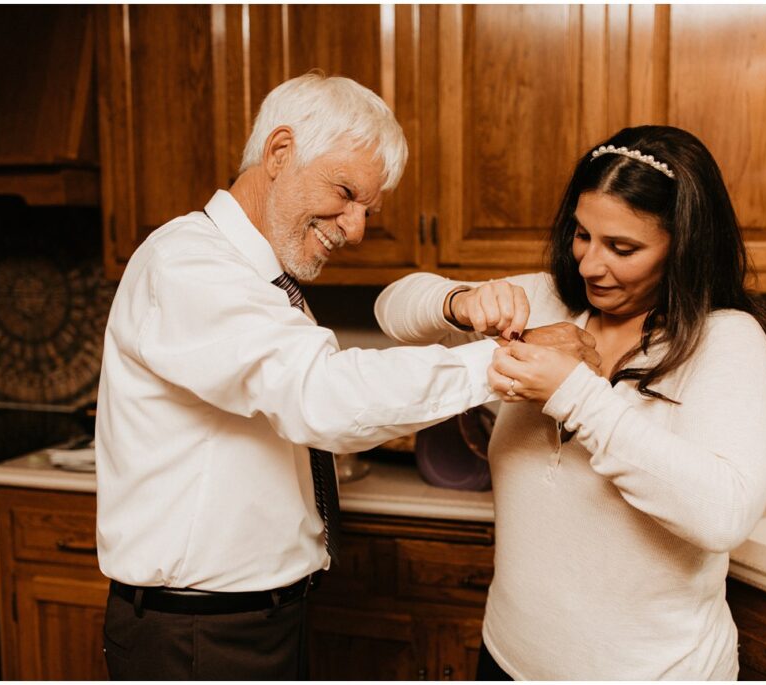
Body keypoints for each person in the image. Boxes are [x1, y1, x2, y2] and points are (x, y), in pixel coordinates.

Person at [94, 72, 597, 680]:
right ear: (280, 153)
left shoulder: (260, 278)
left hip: (258, 618)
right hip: (196, 638)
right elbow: (323, 395)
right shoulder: (189, 265)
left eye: (369, 209)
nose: (355, 228)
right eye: (345, 192)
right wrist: (509, 364)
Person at [375, 125, 766, 680]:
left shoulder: (727, 339)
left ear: (683, 246)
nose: (591, 265)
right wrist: (459, 300)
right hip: (507, 658)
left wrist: (572, 394)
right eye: (582, 235)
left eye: (623, 248)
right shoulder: (545, 300)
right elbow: (393, 310)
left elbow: (723, 516)